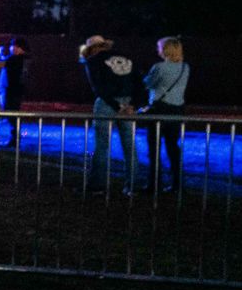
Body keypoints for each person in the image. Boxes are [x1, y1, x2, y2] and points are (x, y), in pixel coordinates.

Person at [80, 35, 144, 190]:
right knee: (129, 145)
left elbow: (98, 88)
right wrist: (132, 105)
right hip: (128, 102)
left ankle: (98, 185)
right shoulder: (128, 58)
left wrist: (116, 106)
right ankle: (133, 184)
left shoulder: (93, 61)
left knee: (102, 145)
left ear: (92, 49)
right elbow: (139, 83)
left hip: (107, 103)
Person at [142, 36, 191, 192]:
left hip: (159, 108)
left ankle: (154, 183)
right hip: (177, 109)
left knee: (154, 149)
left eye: (159, 47)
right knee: (173, 148)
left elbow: (148, 83)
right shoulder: (185, 67)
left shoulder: (159, 67)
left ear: (165, 50)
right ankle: (177, 183)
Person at [0, 38, 29, 146]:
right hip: (18, 89)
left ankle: (14, 138)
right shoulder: (25, 59)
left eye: (13, 46)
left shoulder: (14, 58)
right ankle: (15, 137)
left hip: (11, 90)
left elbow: (0, 64)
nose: (11, 48)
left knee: (11, 114)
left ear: (18, 47)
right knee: (13, 113)